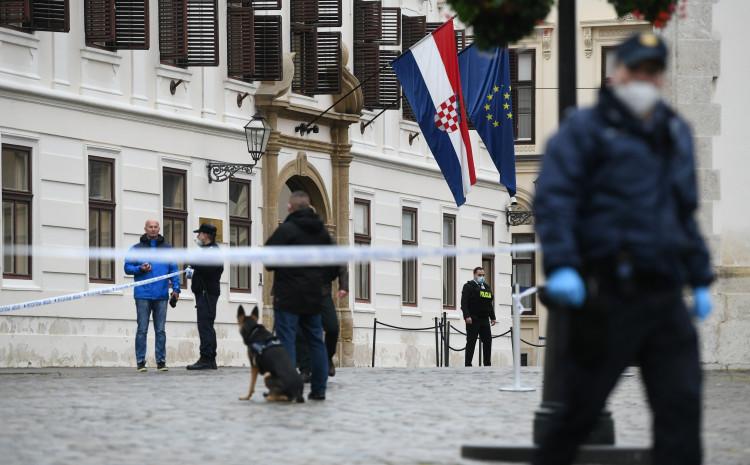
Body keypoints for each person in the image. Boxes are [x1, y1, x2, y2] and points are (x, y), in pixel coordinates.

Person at [532, 32, 713, 465]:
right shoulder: (585, 130)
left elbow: (683, 212)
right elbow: (555, 200)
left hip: (665, 297)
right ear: (618, 73)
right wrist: (562, 265)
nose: (643, 80)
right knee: (576, 413)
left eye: (652, 73)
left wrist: (701, 276)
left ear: (661, 79)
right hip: (607, 295)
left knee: (681, 412)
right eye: (636, 71)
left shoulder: (673, 131)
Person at [265, 191, 335, 400]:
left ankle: (289, 388)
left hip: (288, 296)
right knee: (316, 342)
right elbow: (334, 264)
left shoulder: (286, 230)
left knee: (287, 342)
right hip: (314, 296)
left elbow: (269, 260)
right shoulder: (322, 233)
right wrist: (321, 281)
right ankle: (319, 390)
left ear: (290, 208)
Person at [124, 219, 180, 372]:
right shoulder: (136, 248)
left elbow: (174, 270)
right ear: (145, 229)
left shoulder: (167, 249)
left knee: (160, 330)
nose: (153, 229)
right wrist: (140, 268)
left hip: (161, 295)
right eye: (150, 227)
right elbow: (127, 267)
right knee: (142, 329)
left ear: (159, 229)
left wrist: (176, 288)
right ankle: (141, 362)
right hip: (142, 295)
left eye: (156, 227)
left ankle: (161, 362)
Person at [296, 265, 348, 381]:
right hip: (299, 292)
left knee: (332, 327)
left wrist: (343, 286)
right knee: (300, 332)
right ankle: (305, 369)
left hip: (322, 292)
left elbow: (341, 264)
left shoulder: (326, 246)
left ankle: (327, 358)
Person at [186, 223, 224, 370]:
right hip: (203, 292)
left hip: (207, 293)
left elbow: (210, 268)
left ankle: (207, 357)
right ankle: (209, 357)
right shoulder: (206, 250)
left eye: (199, 234)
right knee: (206, 325)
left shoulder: (213, 251)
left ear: (206, 235)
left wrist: (194, 262)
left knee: (205, 326)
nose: (197, 236)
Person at [461, 267, 496, 366]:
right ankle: (468, 364)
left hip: (484, 319)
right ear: (474, 275)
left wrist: (492, 317)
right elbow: (464, 303)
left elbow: (489, 304)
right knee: (471, 342)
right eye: (479, 275)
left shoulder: (486, 287)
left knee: (488, 341)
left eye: (483, 275)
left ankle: (487, 364)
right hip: (473, 319)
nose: (482, 277)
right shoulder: (468, 286)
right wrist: (467, 316)